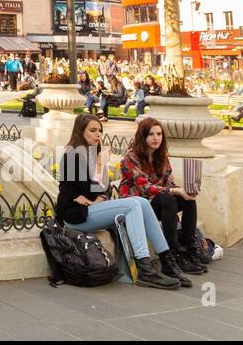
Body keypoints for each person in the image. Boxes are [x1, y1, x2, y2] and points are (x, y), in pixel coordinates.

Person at [55, 114, 181, 290]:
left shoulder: (94, 155)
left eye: (100, 130)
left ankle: (167, 259)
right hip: (74, 216)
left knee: (142, 203)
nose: (98, 135)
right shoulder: (72, 155)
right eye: (92, 131)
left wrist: (98, 198)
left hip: (91, 210)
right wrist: (96, 195)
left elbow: (103, 190)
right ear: (80, 132)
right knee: (133, 204)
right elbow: (89, 189)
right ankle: (145, 268)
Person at [118, 117, 208, 283]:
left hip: (157, 206)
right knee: (167, 198)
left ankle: (188, 250)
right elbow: (144, 187)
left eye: (159, 134)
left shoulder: (162, 156)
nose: (156, 138)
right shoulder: (130, 158)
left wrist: (186, 191)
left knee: (187, 200)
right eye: (151, 134)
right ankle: (171, 254)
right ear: (142, 136)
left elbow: (169, 183)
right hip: (137, 209)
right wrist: (174, 190)